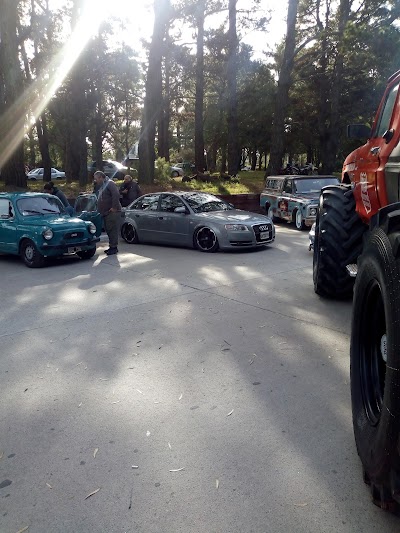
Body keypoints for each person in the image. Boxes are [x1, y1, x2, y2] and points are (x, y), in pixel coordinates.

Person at [93, 171, 121, 255]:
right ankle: (111, 246)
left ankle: (114, 247)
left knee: (112, 229)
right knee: (108, 229)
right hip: (105, 212)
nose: (95, 181)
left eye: (96, 179)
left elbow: (116, 194)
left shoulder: (110, 183)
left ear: (101, 177)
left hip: (112, 212)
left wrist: (114, 207)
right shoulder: (102, 185)